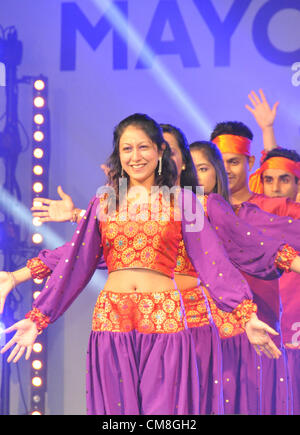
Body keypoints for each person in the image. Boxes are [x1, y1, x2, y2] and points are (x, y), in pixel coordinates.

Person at [2, 113, 278, 416]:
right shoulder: (104, 201)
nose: (136, 157)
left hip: (165, 317)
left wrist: (245, 313)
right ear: (118, 156)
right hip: (112, 320)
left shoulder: (184, 202)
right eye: (127, 149)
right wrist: (39, 316)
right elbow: (76, 263)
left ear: (160, 151)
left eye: (144, 147)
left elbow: (212, 262)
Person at [247, 100, 300, 415]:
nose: (276, 187)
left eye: (286, 180)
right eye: (269, 180)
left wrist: (269, 132)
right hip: (264, 323)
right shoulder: (253, 217)